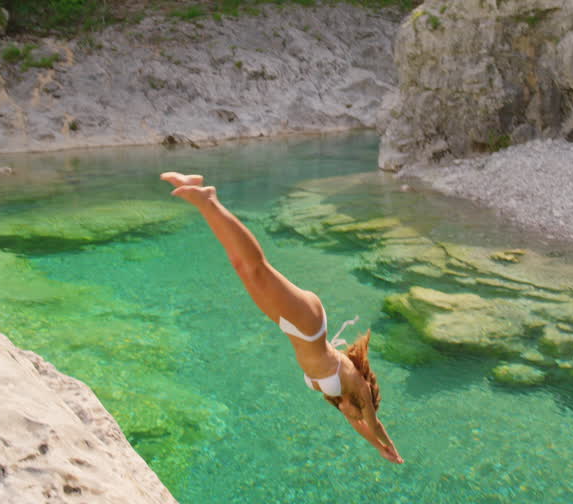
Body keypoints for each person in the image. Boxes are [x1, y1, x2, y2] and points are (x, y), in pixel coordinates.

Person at [160, 172, 405, 464]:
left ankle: (201, 199)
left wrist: (378, 449)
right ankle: (209, 200)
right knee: (257, 268)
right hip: (309, 326)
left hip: (296, 327)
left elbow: (360, 428)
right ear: (364, 404)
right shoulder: (358, 389)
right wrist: (391, 447)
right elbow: (372, 424)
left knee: (242, 266)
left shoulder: (341, 399)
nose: (358, 420)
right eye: (361, 415)